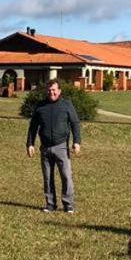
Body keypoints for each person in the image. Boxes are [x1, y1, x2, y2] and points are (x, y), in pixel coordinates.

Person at [26, 80, 82, 214]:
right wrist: (30, 144)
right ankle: (50, 204)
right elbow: (33, 127)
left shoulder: (67, 105)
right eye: (49, 90)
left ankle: (68, 204)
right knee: (47, 177)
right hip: (45, 148)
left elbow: (75, 123)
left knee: (66, 176)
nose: (52, 92)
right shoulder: (41, 106)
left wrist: (77, 142)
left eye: (54, 90)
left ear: (59, 91)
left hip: (61, 146)